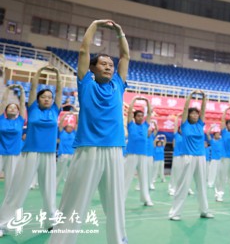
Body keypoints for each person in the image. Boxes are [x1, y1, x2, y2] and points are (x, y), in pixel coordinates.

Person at [50, 19, 129, 244]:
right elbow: (84, 50)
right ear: (93, 68)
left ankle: (119, 240)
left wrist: (120, 32)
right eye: (103, 63)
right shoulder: (86, 83)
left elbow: (125, 57)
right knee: (74, 202)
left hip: (114, 150)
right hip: (88, 150)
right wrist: (95, 24)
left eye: (110, 65)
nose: (108, 66)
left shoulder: (118, 85)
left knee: (115, 204)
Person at [0, 65, 62, 237]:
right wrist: (41, 71)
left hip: (49, 155)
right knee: (17, 190)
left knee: (49, 191)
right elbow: (33, 86)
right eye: (45, 97)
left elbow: (59, 90)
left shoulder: (55, 111)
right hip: (30, 154)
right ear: (38, 99)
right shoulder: (32, 108)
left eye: (50, 97)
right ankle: (2, 224)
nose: (48, 99)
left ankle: (51, 222)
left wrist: (57, 74)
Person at [168, 90, 213, 220]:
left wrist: (204, 97)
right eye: (192, 113)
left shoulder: (200, 124)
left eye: (196, 113)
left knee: (202, 185)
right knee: (183, 185)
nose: (194, 115)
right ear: (188, 115)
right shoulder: (185, 125)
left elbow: (203, 110)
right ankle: (175, 213)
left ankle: (204, 210)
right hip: (188, 157)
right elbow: (185, 107)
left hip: (201, 157)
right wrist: (191, 96)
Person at [124, 96, 154, 206]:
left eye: (142, 116)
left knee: (144, 178)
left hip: (143, 155)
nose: (141, 118)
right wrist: (134, 99)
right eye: (138, 116)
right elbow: (129, 111)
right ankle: (121, 199)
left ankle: (146, 199)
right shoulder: (131, 125)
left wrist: (147, 102)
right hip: (131, 155)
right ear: (134, 117)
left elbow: (150, 113)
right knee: (127, 178)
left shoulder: (145, 125)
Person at [0, 84, 26, 197]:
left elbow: (23, 105)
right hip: (0, 152)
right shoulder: (1, 119)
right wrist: (7, 90)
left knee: (10, 181)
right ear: (6, 110)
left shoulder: (20, 120)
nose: (12, 108)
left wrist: (21, 90)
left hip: (14, 153)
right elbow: (3, 102)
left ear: (18, 111)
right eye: (10, 107)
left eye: (15, 108)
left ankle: (8, 203)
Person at [56, 112, 77, 189]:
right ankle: (54, 187)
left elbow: (77, 124)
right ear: (66, 127)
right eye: (69, 126)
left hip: (72, 155)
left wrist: (74, 114)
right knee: (59, 172)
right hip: (63, 154)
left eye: (71, 126)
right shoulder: (62, 132)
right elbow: (60, 124)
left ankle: (72, 188)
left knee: (72, 173)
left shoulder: (74, 133)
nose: (70, 127)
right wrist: (65, 115)